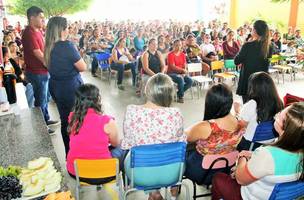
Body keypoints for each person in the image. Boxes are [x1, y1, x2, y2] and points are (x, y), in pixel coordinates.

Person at [212, 102, 304, 200]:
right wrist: (253, 155)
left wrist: (242, 157)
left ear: (287, 130)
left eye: (279, 116)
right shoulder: (297, 150)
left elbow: (240, 179)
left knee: (218, 178)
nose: (276, 115)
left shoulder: (267, 155)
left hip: (249, 196)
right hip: (270, 193)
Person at [121, 73, 186, 200]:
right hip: (172, 172)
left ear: (146, 89)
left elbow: (128, 142)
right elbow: (180, 138)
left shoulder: (132, 111)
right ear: (170, 93)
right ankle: (171, 191)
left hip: (139, 173)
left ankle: (153, 192)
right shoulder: (175, 114)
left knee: (131, 150)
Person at [185, 83, 245, 185]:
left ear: (210, 103)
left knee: (182, 149)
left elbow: (184, 137)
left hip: (201, 172)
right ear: (229, 101)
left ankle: (174, 186)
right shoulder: (240, 123)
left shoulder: (206, 127)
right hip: (225, 169)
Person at [44, 16, 87, 154]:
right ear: (62, 30)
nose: (68, 30)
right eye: (67, 27)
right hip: (70, 87)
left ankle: (69, 153)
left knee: (65, 119)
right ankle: (78, 153)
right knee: (76, 120)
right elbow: (83, 67)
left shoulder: (48, 46)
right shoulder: (67, 46)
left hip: (56, 86)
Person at [66, 84, 120, 184]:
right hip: (104, 173)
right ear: (97, 99)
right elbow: (115, 144)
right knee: (122, 147)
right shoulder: (107, 121)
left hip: (76, 172)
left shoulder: (72, 118)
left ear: (77, 100)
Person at [21, 6, 58, 133]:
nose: (43, 20)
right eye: (41, 18)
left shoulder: (38, 31)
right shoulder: (29, 33)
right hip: (37, 73)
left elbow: (44, 50)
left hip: (43, 72)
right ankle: (41, 127)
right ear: (32, 18)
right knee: (40, 100)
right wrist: (52, 66)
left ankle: (46, 118)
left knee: (45, 98)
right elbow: (38, 54)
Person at [235, 72, 283, 151]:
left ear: (253, 87)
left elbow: (240, 126)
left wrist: (237, 111)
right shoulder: (279, 102)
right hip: (270, 144)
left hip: (250, 145)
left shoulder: (252, 104)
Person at [235, 20, 273, 103]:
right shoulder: (269, 46)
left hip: (248, 82)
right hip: (261, 82)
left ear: (255, 31)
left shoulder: (248, 45)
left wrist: (243, 47)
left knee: (247, 108)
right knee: (258, 107)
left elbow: (236, 61)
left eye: (252, 29)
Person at [167, 39, 193, 103]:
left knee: (190, 81)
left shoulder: (183, 54)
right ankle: (180, 97)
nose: (178, 47)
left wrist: (184, 72)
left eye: (180, 45)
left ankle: (178, 93)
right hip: (172, 73)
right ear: (173, 46)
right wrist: (182, 70)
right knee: (180, 79)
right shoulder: (170, 55)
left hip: (181, 73)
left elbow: (184, 64)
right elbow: (172, 67)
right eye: (176, 45)